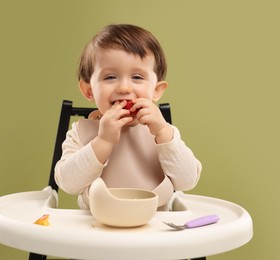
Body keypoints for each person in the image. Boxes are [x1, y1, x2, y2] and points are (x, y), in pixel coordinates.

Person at [55, 24, 202, 210]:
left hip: (154, 230)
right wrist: (103, 141)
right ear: (89, 90)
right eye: (110, 77)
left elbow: (187, 181)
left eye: (137, 77)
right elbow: (68, 183)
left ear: (156, 91)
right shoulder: (81, 132)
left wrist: (163, 132)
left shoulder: (163, 132)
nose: (124, 88)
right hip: (96, 231)